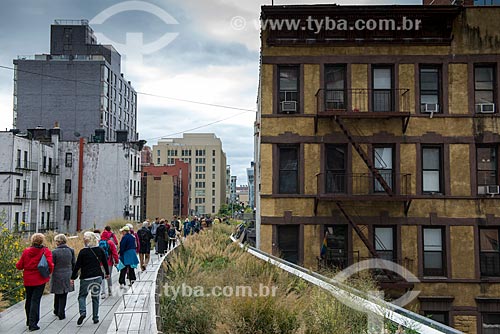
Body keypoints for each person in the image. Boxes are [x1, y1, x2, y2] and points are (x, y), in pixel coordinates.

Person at [16, 233, 54, 331]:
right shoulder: (46, 251)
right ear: (42, 241)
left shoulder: (26, 251)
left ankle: (29, 320)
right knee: (35, 300)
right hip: (40, 278)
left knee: (28, 299)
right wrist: (48, 273)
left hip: (28, 279)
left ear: (32, 240)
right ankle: (33, 323)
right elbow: (50, 264)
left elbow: (19, 265)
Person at [71, 231, 110, 326]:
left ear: (87, 240)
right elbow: (105, 262)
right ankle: (95, 317)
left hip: (86, 277)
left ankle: (83, 312)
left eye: (84, 238)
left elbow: (77, 266)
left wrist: (72, 277)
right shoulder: (100, 250)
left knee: (82, 296)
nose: (83, 239)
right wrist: (107, 273)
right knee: (95, 297)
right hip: (97, 276)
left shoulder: (83, 252)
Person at [50, 234, 75, 320]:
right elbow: (73, 263)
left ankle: (56, 310)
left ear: (58, 242)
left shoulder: (54, 252)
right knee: (64, 293)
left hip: (57, 274)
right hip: (68, 273)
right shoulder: (71, 250)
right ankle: (61, 312)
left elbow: (52, 264)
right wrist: (74, 275)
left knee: (57, 292)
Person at [99, 230, 119, 298]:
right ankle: (110, 291)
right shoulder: (110, 242)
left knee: (102, 276)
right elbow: (114, 253)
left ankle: (103, 292)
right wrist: (116, 261)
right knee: (108, 276)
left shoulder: (99, 242)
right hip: (109, 262)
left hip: (101, 263)